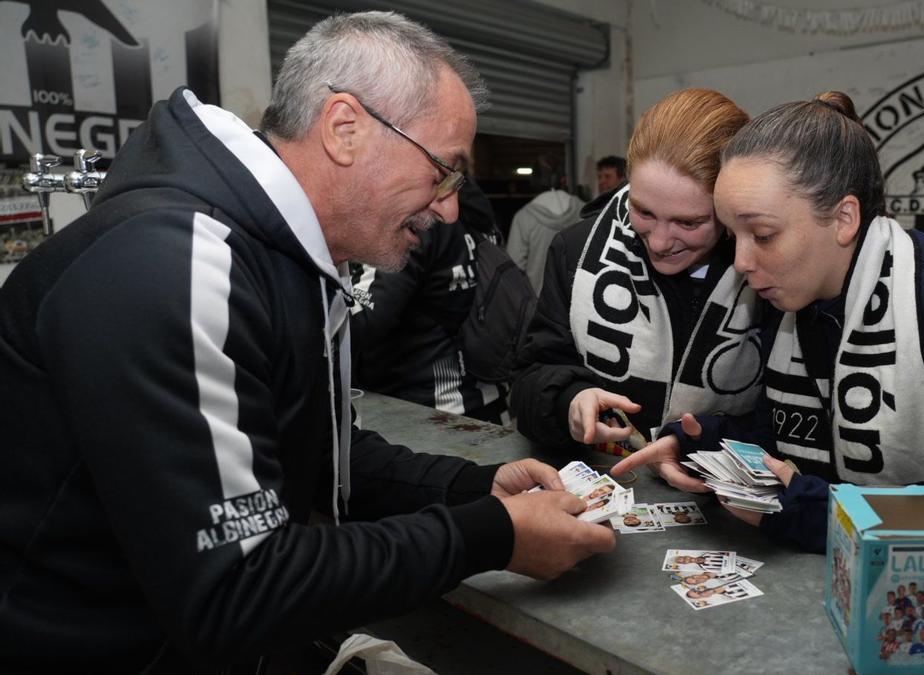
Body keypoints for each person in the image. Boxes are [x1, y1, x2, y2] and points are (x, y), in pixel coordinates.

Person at [0, 12, 614, 671]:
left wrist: (476, 486)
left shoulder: (292, 259)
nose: (449, 209)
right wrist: (491, 535)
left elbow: (320, 454)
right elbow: (234, 588)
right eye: (443, 170)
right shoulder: (177, 263)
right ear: (345, 129)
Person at [612, 91, 924, 563]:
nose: (741, 262)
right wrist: (708, 441)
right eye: (733, 236)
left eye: (763, 235)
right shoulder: (794, 293)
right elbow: (802, 434)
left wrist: (809, 513)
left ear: (843, 218)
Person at [509, 88, 765, 458]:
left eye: (688, 222)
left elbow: (789, 414)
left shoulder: (766, 270)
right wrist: (570, 400)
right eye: (643, 212)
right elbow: (529, 380)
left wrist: (701, 442)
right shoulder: (577, 251)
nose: (660, 242)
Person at [351, 176, 510, 423]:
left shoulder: (416, 225)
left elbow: (361, 321)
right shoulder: (476, 214)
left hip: (427, 413)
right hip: (489, 403)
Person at [505, 154, 583, 294]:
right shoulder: (583, 210)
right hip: (578, 302)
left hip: (540, 305)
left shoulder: (524, 218)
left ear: (533, 181)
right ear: (564, 179)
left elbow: (514, 269)